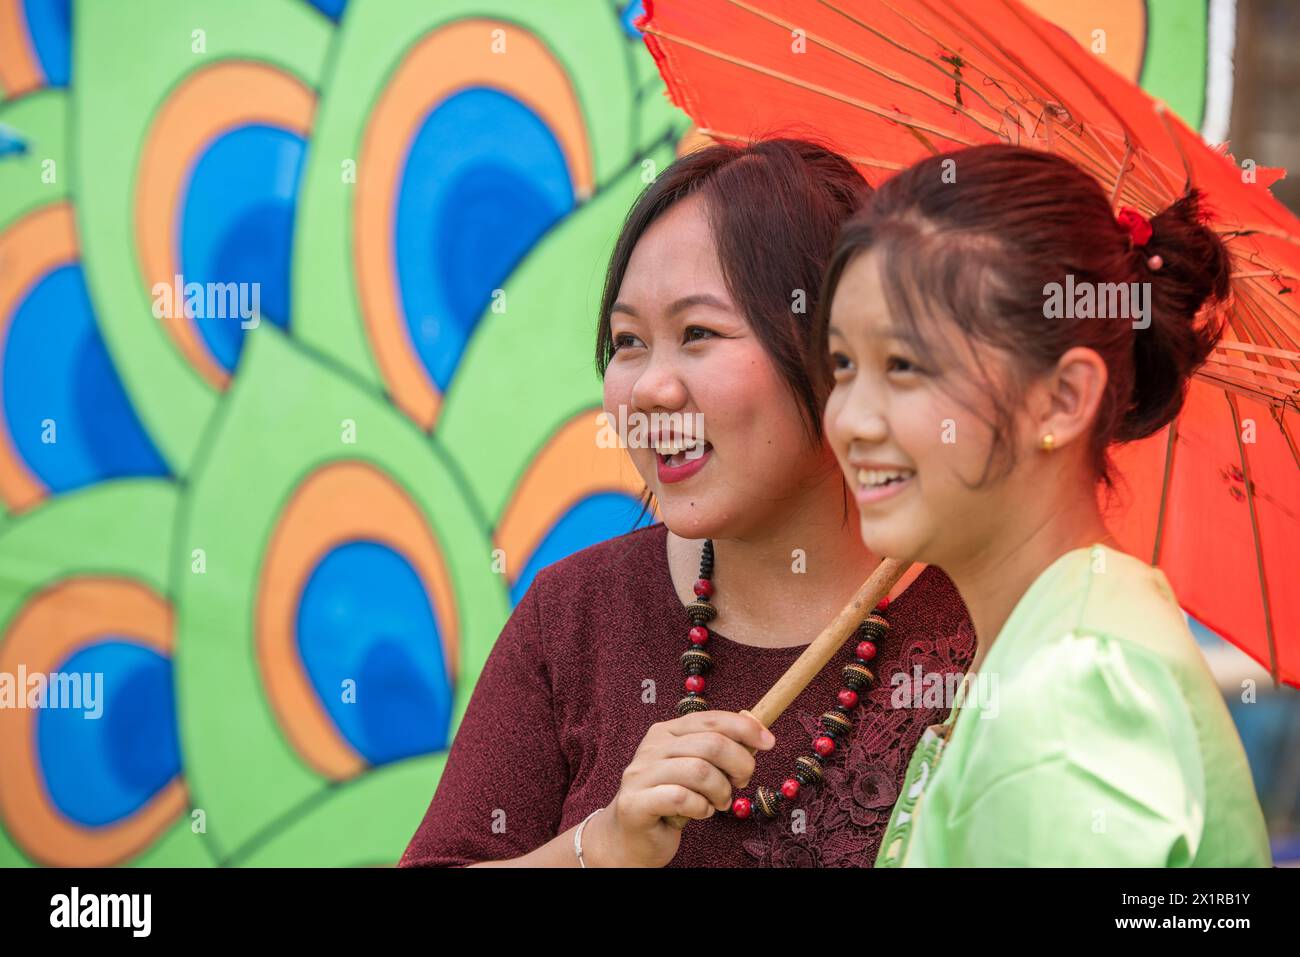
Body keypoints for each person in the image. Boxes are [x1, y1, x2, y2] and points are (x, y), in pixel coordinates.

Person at [399, 138, 976, 867]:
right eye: (629, 342)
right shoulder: (574, 614)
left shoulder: (985, 626)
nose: (647, 389)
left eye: (698, 332)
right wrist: (599, 846)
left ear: (839, 352)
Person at [818, 143, 1272, 866]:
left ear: (1062, 398)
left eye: (903, 365)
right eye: (843, 364)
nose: (851, 419)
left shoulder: (1069, 696)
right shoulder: (1060, 639)